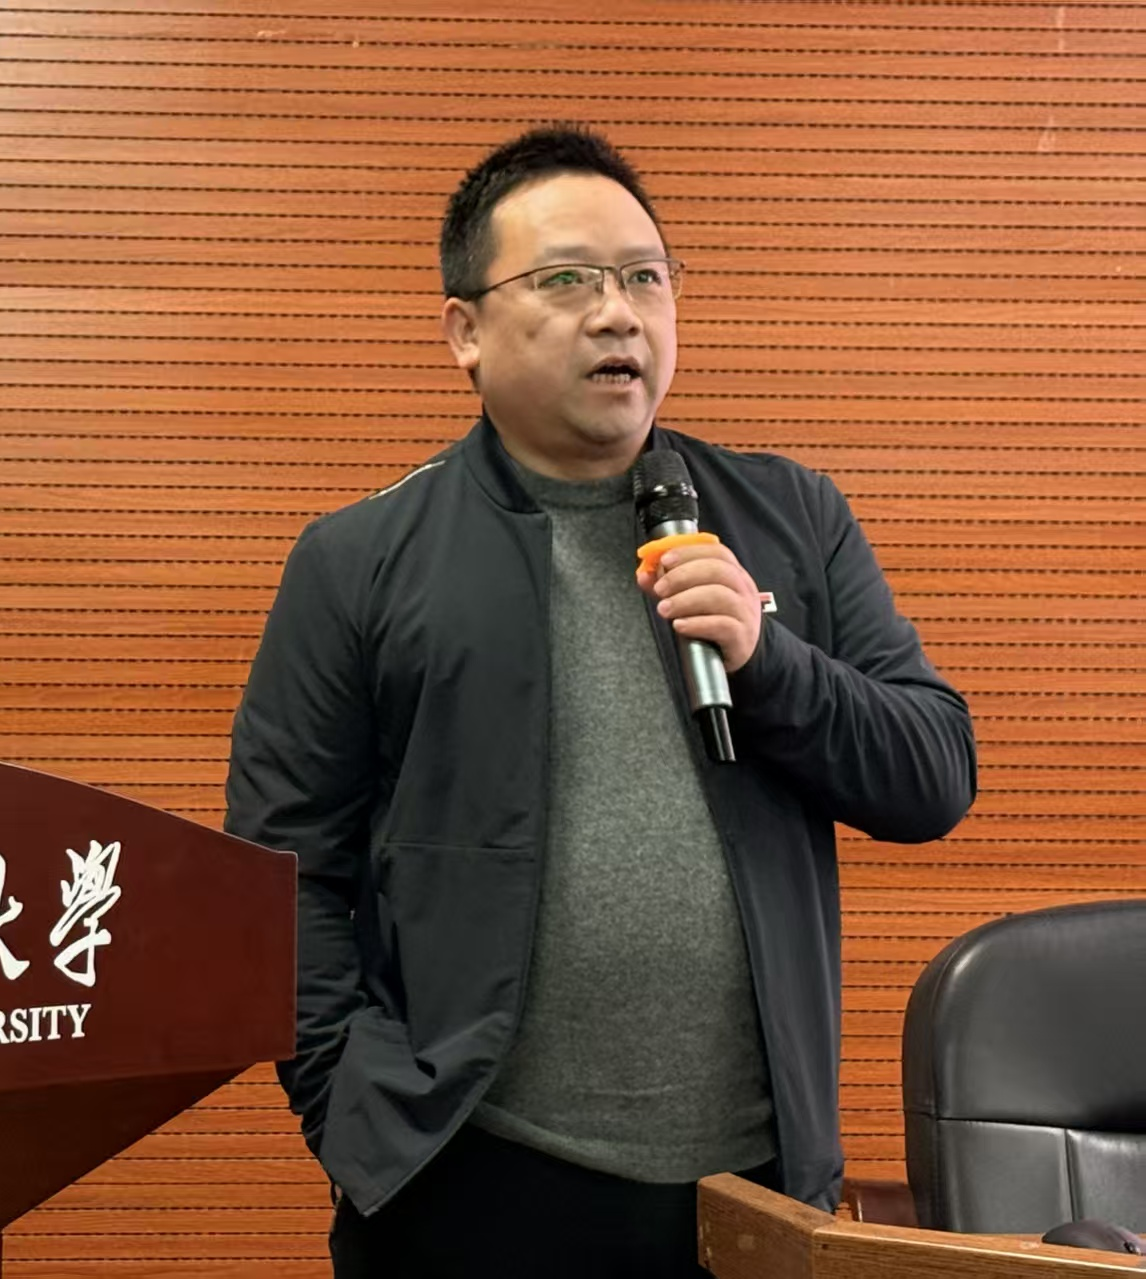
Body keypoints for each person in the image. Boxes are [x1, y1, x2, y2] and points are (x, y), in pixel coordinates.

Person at [223, 124, 976, 1278]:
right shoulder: (358, 560)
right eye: (567, 280)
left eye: (643, 278)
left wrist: (766, 659)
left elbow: (930, 775)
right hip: (469, 1182)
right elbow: (280, 878)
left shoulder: (788, 516)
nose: (617, 314)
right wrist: (355, 1114)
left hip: (754, 1186)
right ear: (464, 331)